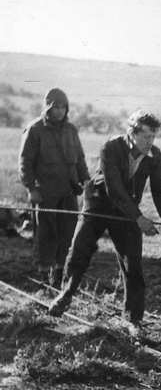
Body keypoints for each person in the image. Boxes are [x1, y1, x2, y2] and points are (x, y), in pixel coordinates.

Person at [48, 110, 161, 331]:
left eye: (153, 136)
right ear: (132, 133)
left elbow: (159, 189)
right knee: (80, 250)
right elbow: (115, 189)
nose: (150, 142)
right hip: (98, 203)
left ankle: (133, 319)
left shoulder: (155, 155)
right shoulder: (111, 147)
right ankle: (66, 294)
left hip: (126, 210)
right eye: (145, 136)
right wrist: (139, 218)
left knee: (133, 262)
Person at [18, 88, 90, 287]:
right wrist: (31, 188)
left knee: (67, 233)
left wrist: (86, 181)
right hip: (45, 192)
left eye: (63, 107)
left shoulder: (71, 130)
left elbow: (80, 159)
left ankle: (58, 274)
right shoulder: (35, 130)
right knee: (46, 234)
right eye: (55, 107)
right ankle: (43, 276)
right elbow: (25, 162)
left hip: (68, 190)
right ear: (48, 107)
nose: (59, 111)